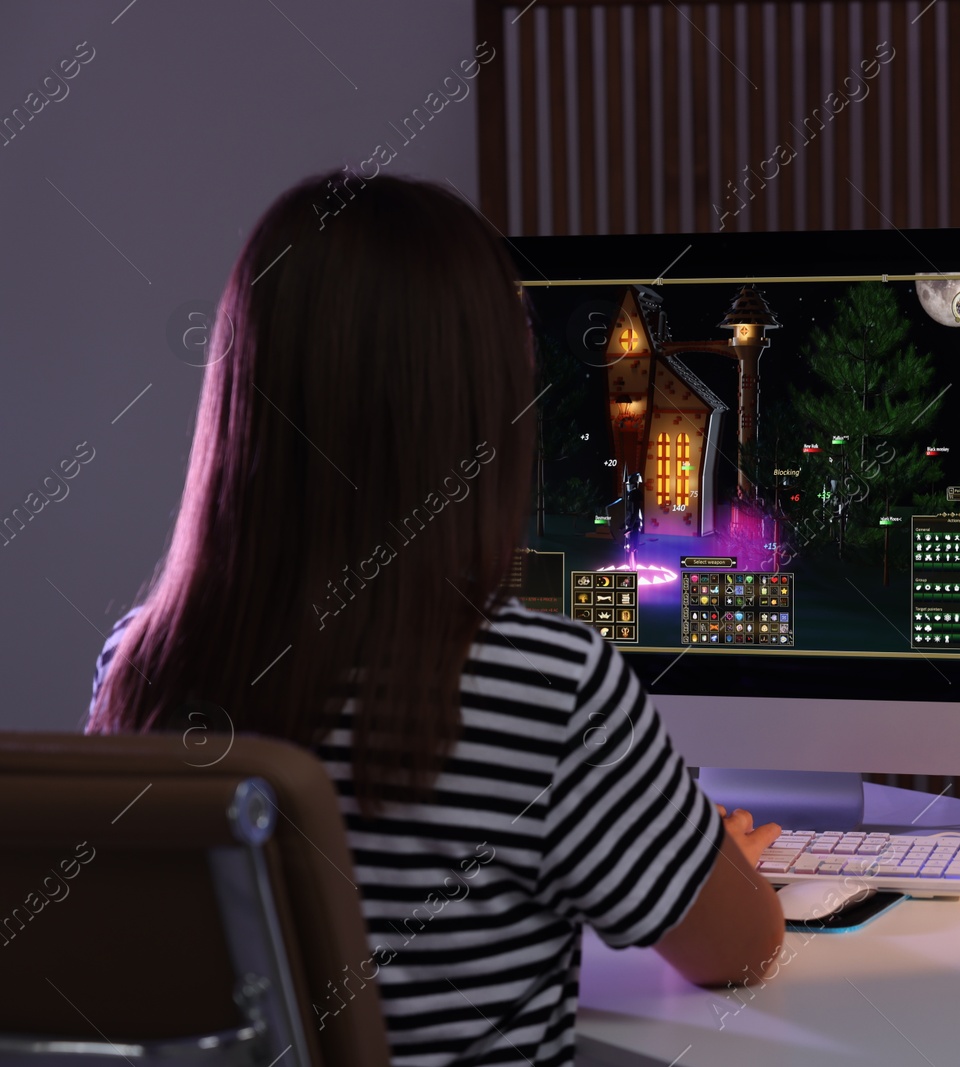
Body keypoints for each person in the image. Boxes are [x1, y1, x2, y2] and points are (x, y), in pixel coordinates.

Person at [85, 172, 782, 1066]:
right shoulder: (550, 687)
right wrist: (706, 860)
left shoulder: (144, 661)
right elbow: (740, 949)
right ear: (480, 411)